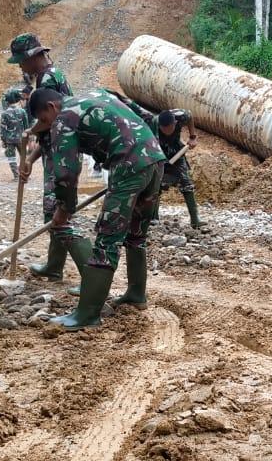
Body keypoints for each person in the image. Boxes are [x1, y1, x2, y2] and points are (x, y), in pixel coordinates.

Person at [21, 88, 166, 330]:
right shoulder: (97, 93)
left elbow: (66, 172)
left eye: (44, 120)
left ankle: (87, 314)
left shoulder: (63, 118)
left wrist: (64, 209)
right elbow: (146, 116)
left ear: (51, 107)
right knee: (135, 235)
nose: (47, 125)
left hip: (128, 165)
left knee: (107, 240)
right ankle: (136, 294)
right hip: (154, 158)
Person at [8, 33, 77, 283]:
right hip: (57, 149)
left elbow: (49, 124)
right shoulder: (52, 75)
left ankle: (88, 271)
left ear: (33, 57)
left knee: (56, 211)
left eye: (21, 61)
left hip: (61, 152)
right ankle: (54, 265)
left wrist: (30, 132)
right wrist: (31, 158)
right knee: (56, 208)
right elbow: (50, 130)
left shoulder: (48, 79)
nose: (20, 66)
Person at [149, 109, 203, 228]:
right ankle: (153, 217)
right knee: (156, 183)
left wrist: (193, 137)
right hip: (158, 153)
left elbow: (190, 116)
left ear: (175, 123)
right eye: (164, 130)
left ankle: (195, 220)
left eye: (170, 129)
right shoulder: (152, 124)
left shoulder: (180, 116)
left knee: (186, 182)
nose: (167, 132)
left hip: (176, 151)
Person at [0, 87, 30, 181]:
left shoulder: (4, 113)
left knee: (11, 158)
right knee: (24, 157)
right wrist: (27, 138)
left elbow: (3, 129)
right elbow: (27, 127)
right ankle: (25, 174)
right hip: (21, 139)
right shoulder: (22, 111)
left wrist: (3, 140)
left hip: (9, 139)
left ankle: (16, 176)